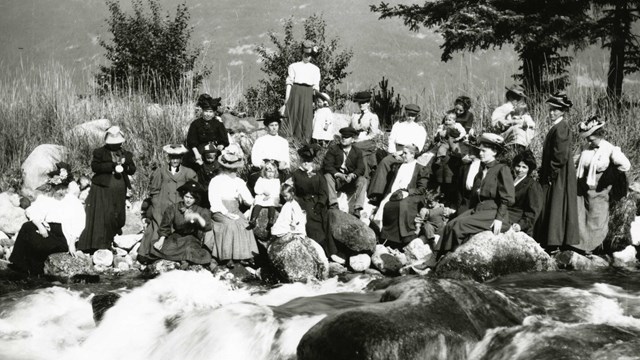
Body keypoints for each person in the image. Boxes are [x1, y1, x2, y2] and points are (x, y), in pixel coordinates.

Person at [436, 133, 515, 255]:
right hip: (479, 210)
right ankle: (437, 257)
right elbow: (474, 197)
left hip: (494, 213)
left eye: (484, 151)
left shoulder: (502, 169)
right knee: (450, 224)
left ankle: (450, 258)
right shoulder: (480, 172)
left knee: (459, 226)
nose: (480, 153)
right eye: (480, 151)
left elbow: (507, 197)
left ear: (494, 152)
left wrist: (499, 218)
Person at [9, 163, 85, 275]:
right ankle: (18, 265)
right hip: (48, 230)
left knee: (37, 244)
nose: (61, 191)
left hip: (63, 236)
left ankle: (35, 271)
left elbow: (79, 223)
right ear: (53, 188)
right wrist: (40, 226)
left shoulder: (73, 201)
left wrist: (72, 243)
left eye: (64, 188)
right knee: (27, 227)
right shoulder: (46, 198)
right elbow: (32, 211)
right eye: (58, 188)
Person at [574, 116, 631, 253]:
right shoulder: (586, 147)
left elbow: (625, 165)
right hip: (583, 186)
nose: (588, 140)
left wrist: (610, 176)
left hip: (599, 189)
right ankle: (580, 246)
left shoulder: (609, 149)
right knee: (581, 215)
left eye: (591, 138)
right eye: (587, 138)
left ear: (599, 135)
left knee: (596, 217)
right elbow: (576, 160)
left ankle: (594, 246)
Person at [78, 126, 136, 252]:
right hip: (103, 188)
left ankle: (113, 235)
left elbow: (132, 169)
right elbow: (95, 167)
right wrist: (112, 166)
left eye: (118, 143)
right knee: (104, 214)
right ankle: (101, 243)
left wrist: (125, 165)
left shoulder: (126, 154)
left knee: (118, 213)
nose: (116, 145)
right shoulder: (99, 152)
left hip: (119, 188)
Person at [535, 92, 579, 250]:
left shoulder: (561, 128)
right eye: (551, 109)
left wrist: (551, 174)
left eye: (556, 109)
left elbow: (560, 155)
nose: (552, 112)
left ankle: (555, 241)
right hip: (557, 171)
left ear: (563, 111)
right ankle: (553, 240)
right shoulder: (558, 126)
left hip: (560, 173)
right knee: (555, 204)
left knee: (557, 204)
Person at [138, 144, 197, 262]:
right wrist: (156, 204)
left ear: (181, 158)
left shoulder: (188, 172)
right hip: (162, 203)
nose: (175, 160)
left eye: (177, 158)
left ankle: (172, 253)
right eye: (172, 157)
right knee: (158, 225)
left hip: (180, 203)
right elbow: (154, 191)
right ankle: (150, 252)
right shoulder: (160, 171)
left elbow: (193, 191)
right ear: (168, 158)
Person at [208, 147, 258, 266]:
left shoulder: (239, 181)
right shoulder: (216, 180)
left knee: (244, 223)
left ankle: (244, 255)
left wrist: (258, 200)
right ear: (224, 168)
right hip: (220, 210)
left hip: (235, 209)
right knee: (230, 225)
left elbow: (248, 199)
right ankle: (227, 256)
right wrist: (225, 212)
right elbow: (214, 200)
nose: (233, 171)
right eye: (230, 168)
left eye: (234, 168)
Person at [368, 104, 427, 203]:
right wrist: (393, 152)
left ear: (416, 116)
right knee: (385, 162)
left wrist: (401, 153)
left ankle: (387, 195)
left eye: (413, 115)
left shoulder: (419, 128)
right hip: (395, 151)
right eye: (408, 114)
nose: (410, 117)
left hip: (409, 154)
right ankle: (376, 194)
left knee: (396, 166)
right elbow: (391, 140)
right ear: (405, 113)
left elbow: (417, 147)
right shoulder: (398, 124)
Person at [373, 144, 430, 246]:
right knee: (384, 205)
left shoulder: (420, 168)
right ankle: (384, 237)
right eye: (402, 153)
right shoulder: (399, 166)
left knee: (401, 205)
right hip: (395, 193)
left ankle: (403, 238)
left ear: (412, 155)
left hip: (412, 195)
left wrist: (408, 192)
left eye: (405, 153)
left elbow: (421, 189)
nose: (403, 155)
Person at [150, 180, 213, 269]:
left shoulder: (201, 210)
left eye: (191, 198)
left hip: (192, 239)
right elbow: (165, 225)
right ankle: (181, 259)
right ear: (182, 195)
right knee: (156, 247)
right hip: (177, 237)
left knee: (191, 250)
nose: (188, 200)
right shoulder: (173, 208)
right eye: (186, 197)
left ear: (196, 199)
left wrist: (197, 217)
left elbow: (207, 226)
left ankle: (183, 260)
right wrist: (161, 240)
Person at [290, 145, 339, 258]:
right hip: (303, 202)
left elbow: (324, 192)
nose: (307, 164)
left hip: (318, 202)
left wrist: (321, 203)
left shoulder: (318, 174)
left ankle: (331, 252)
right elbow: (293, 191)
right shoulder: (296, 174)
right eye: (304, 161)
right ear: (301, 161)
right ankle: (317, 251)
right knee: (311, 222)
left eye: (309, 161)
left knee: (326, 220)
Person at [322, 127, 367, 217]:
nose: (343, 139)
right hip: (337, 180)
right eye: (342, 136)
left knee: (363, 180)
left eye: (347, 137)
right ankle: (333, 204)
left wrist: (353, 175)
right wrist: (339, 174)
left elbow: (361, 168)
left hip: (351, 182)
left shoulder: (357, 151)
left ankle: (357, 208)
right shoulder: (333, 149)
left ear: (352, 139)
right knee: (327, 176)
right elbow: (327, 165)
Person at [285, 39, 321, 142]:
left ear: (312, 56)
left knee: (306, 117)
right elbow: (289, 82)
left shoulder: (315, 69)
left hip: (308, 93)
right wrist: (287, 97)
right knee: (293, 114)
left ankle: (304, 141)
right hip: (295, 92)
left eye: (309, 55)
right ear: (302, 53)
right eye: (305, 54)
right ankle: (290, 140)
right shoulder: (293, 66)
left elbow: (316, 86)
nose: (307, 57)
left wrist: (315, 100)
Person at [249, 111, 291, 192]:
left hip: (278, 169)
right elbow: (255, 156)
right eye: (271, 125)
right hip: (264, 169)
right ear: (267, 127)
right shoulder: (260, 140)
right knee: (257, 180)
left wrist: (284, 164)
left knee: (285, 183)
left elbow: (286, 158)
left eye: (276, 125)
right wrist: (261, 164)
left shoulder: (283, 142)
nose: (274, 128)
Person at [185, 96, 229, 169]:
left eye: (210, 112)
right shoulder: (195, 124)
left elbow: (224, 140)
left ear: (214, 112)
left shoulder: (218, 124)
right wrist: (197, 154)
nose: (208, 114)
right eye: (206, 111)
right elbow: (191, 141)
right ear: (202, 111)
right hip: (199, 151)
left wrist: (221, 145)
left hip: (214, 152)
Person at [507, 150, 543, 237]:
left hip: (517, 222)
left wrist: (520, 225)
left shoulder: (532, 185)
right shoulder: (509, 180)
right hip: (504, 216)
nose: (520, 170)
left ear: (529, 169)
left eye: (524, 167)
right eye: (518, 166)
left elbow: (533, 212)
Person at [350, 91, 381, 176]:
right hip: (355, 139)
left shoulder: (372, 116)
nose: (361, 105)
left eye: (363, 103)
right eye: (359, 103)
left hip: (368, 140)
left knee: (357, 149)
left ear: (368, 103)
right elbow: (350, 128)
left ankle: (364, 176)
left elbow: (373, 134)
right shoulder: (354, 115)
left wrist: (360, 139)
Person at [247, 160, 280, 231]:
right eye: (268, 172)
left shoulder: (276, 181)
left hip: (271, 197)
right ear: (265, 172)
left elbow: (276, 191)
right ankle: (253, 219)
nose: (270, 174)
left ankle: (271, 219)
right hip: (262, 196)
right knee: (258, 202)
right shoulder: (261, 180)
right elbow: (256, 189)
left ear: (275, 173)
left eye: (272, 172)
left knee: (272, 204)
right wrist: (263, 192)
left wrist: (269, 196)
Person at [195, 142, 221, 208]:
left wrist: (202, 165)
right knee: (201, 203)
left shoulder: (217, 165)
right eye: (208, 158)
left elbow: (213, 176)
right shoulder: (201, 164)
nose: (210, 160)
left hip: (212, 188)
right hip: (202, 187)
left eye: (212, 158)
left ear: (215, 156)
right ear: (204, 156)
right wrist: (200, 164)